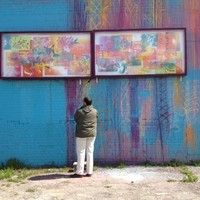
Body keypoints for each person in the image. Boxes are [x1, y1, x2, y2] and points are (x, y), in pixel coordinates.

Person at [70, 97, 98, 178]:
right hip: (92, 134)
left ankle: (79, 172)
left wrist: (82, 108)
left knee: (81, 152)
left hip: (81, 134)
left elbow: (76, 119)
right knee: (90, 152)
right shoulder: (95, 111)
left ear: (85, 102)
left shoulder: (80, 111)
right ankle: (89, 172)